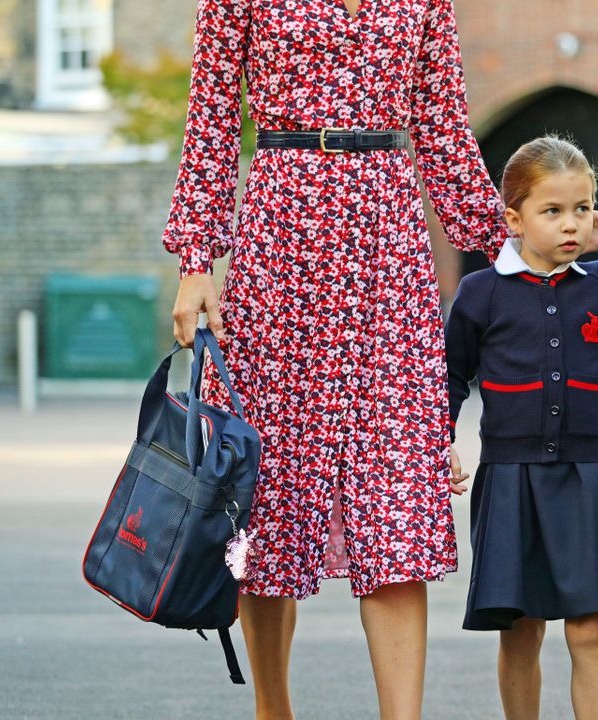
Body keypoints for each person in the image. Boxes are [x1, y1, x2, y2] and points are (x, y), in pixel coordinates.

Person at [163, 0, 508, 717]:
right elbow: (213, 119)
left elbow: (442, 127)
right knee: (267, 488)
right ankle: (273, 707)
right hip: (280, 234)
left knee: (395, 491)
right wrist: (198, 261)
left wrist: (513, 249)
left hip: (387, 239)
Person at [445, 136, 598, 720]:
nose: (571, 224)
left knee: (589, 630)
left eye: (582, 209)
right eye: (552, 211)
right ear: (513, 218)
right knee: (522, 630)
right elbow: (452, 376)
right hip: (510, 479)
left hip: (590, 478)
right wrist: (441, 443)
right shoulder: (481, 291)